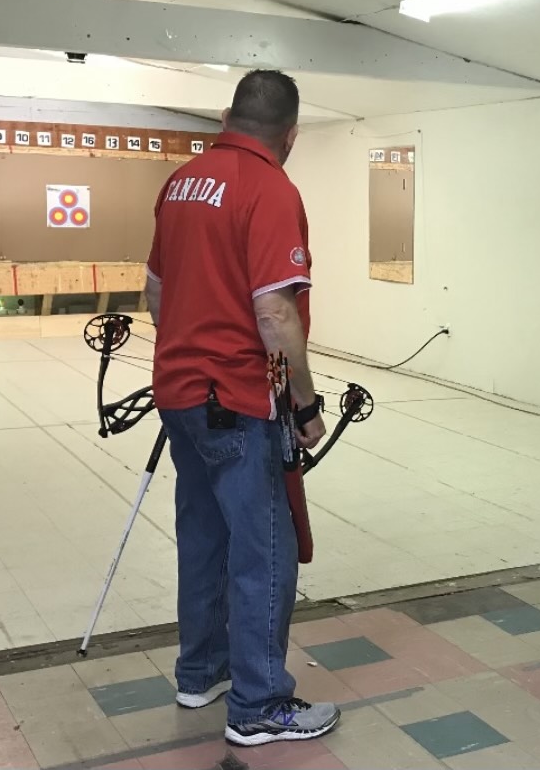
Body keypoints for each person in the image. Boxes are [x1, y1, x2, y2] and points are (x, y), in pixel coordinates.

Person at [144, 69, 341, 748]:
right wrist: (306, 402)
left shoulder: (181, 183)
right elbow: (275, 311)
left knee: (204, 537)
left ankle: (201, 671)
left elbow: (156, 293)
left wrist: (186, 355)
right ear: (289, 135)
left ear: (228, 114)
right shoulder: (270, 188)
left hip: (179, 395)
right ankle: (258, 703)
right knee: (266, 549)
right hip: (236, 399)